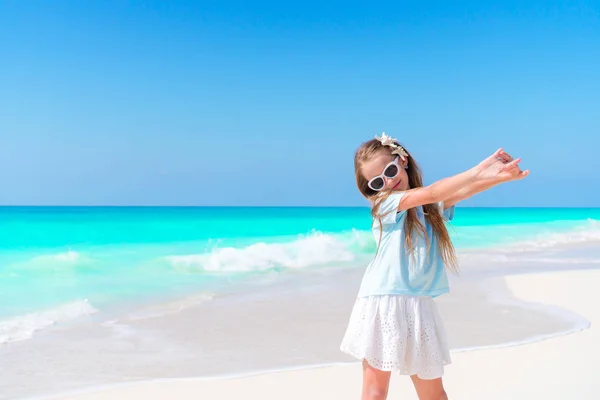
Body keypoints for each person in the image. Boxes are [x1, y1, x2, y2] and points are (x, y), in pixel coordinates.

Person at [340, 133, 529, 400]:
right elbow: (434, 191)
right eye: (377, 182)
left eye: (391, 170)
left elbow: (457, 192)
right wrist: (478, 169)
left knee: (434, 395)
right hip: (383, 301)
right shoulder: (385, 203)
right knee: (375, 393)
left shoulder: (428, 207)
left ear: (402, 160)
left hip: (419, 304)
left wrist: (501, 176)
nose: (389, 182)